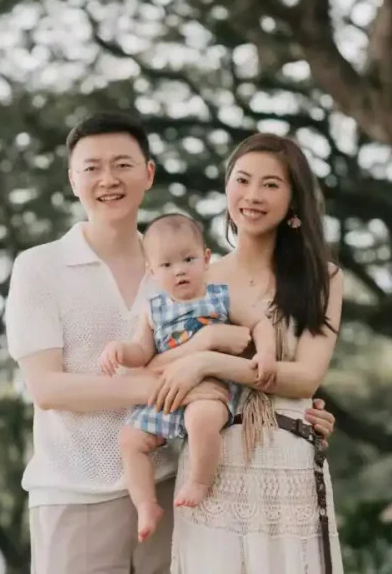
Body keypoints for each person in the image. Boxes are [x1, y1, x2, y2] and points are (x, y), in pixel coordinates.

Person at [4, 112, 337, 574]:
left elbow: (262, 359)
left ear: (148, 173)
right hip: (76, 492)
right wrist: (200, 355)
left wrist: (295, 413)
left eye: (122, 164)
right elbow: (47, 389)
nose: (108, 179)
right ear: (72, 179)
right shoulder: (41, 267)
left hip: (172, 484)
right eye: (92, 167)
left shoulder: (179, 268)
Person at [145, 132, 346, 573]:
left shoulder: (323, 278)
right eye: (242, 180)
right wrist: (203, 343)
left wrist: (207, 362)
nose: (253, 195)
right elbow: (154, 367)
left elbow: (305, 377)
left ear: (293, 199)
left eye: (271, 184)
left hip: (289, 459)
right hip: (213, 463)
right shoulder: (196, 278)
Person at [98, 212, 277, 544]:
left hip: (209, 387)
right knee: (130, 440)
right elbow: (143, 352)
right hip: (167, 393)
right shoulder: (153, 309)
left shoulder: (220, 297)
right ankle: (146, 505)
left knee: (202, 420)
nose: (179, 270)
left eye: (188, 259)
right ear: (152, 272)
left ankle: (200, 480)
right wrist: (121, 350)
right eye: (166, 265)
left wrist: (265, 352)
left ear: (206, 259)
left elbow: (260, 323)